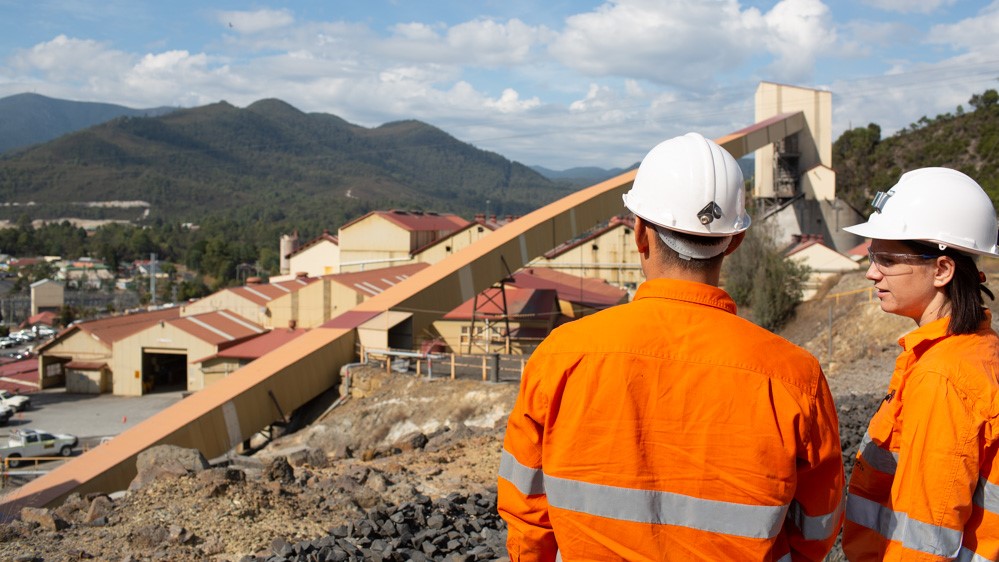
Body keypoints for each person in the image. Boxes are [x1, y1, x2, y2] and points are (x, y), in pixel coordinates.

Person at [497, 132, 845, 561]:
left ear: (640, 233)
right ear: (734, 241)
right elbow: (817, 526)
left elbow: (526, 511)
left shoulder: (560, 357)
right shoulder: (794, 377)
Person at [841, 167, 999, 561]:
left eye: (888, 260)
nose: (871, 272)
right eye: (873, 256)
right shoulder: (976, 347)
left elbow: (926, 536)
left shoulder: (943, 376)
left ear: (942, 270)